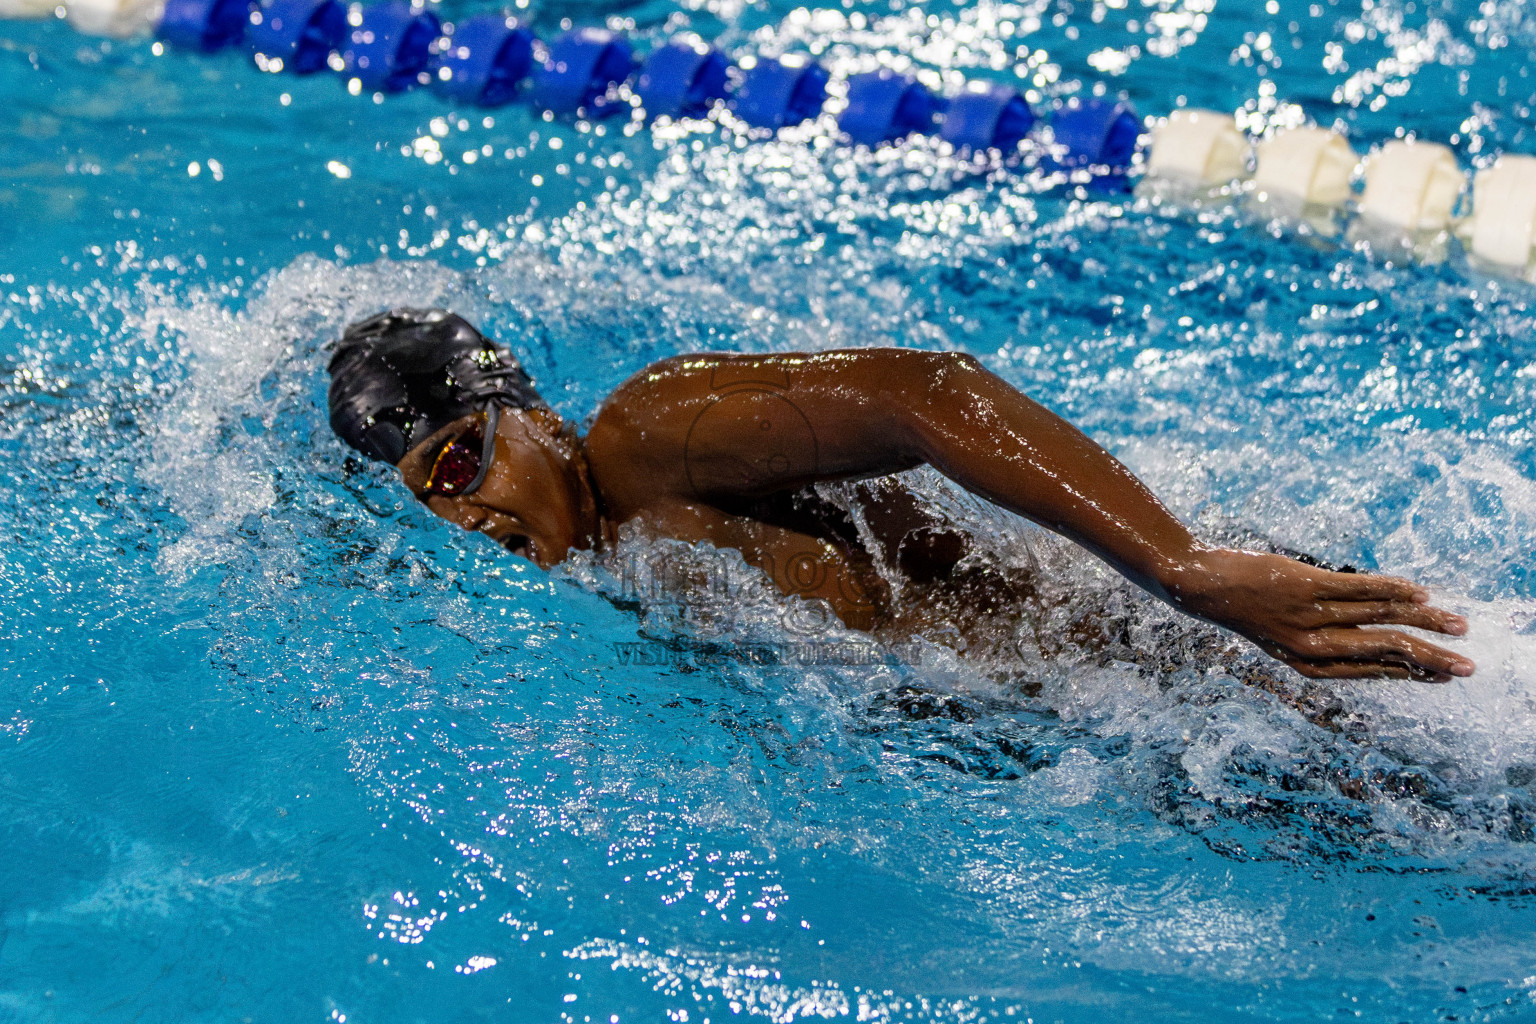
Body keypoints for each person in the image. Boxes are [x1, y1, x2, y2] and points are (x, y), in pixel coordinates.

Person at [327, 308, 1474, 683]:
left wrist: (1181, 566)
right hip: (1091, 726)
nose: (467, 516)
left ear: (535, 415)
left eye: (463, 463)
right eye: (435, 501)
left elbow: (922, 392)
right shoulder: (610, 558)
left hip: (1175, 655)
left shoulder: (641, 439)